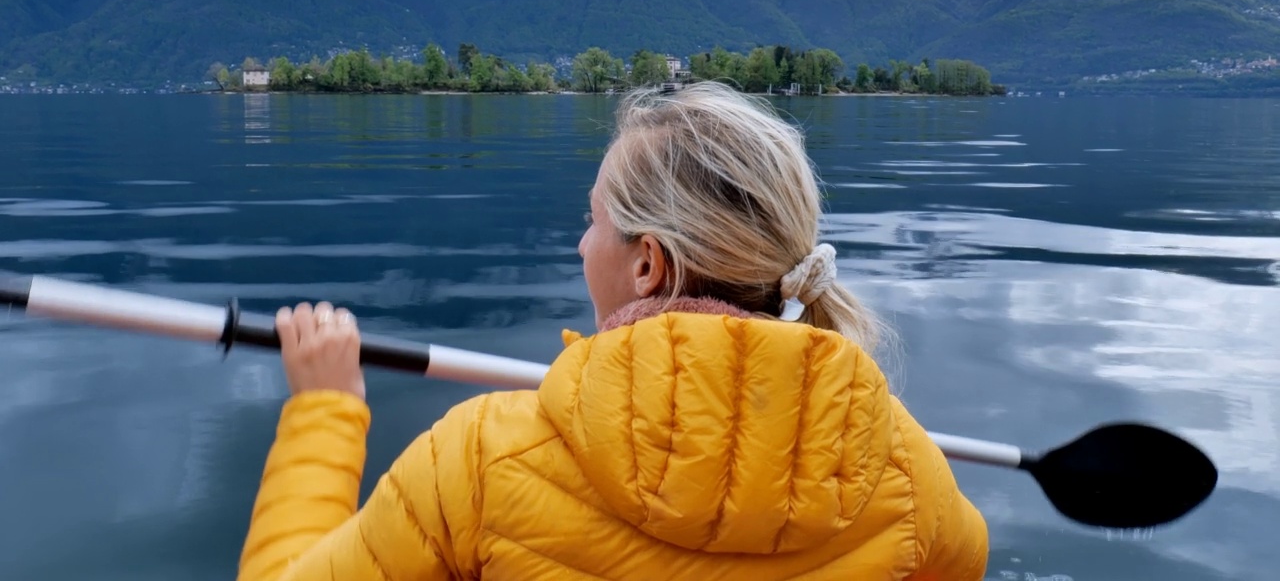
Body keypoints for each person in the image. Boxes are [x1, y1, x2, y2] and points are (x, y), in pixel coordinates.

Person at [236, 81, 989, 581]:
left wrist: (324, 410)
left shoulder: (480, 459)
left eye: (592, 220)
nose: (578, 245)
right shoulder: (906, 471)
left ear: (647, 266)